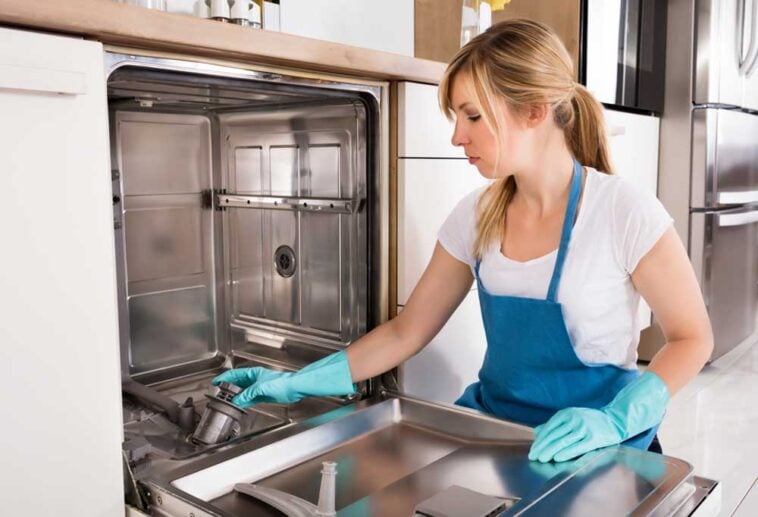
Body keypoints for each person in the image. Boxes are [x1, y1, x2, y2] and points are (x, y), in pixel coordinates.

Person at [213, 20, 714, 463]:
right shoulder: (475, 216)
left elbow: (692, 338)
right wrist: (298, 380)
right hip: (494, 432)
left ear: (536, 110)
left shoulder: (622, 211)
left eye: (472, 116)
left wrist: (615, 420)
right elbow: (406, 332)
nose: (457, 136)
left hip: (603, 444)